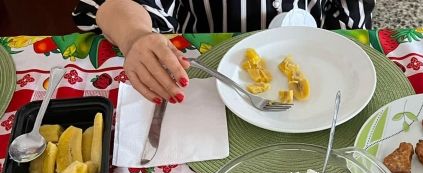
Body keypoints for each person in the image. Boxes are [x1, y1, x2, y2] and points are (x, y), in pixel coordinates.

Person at [73, 0, 375, 105]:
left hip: (318, 78)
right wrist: (136, 35)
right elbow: (113, 6)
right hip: (207, 81)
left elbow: (353, 24)